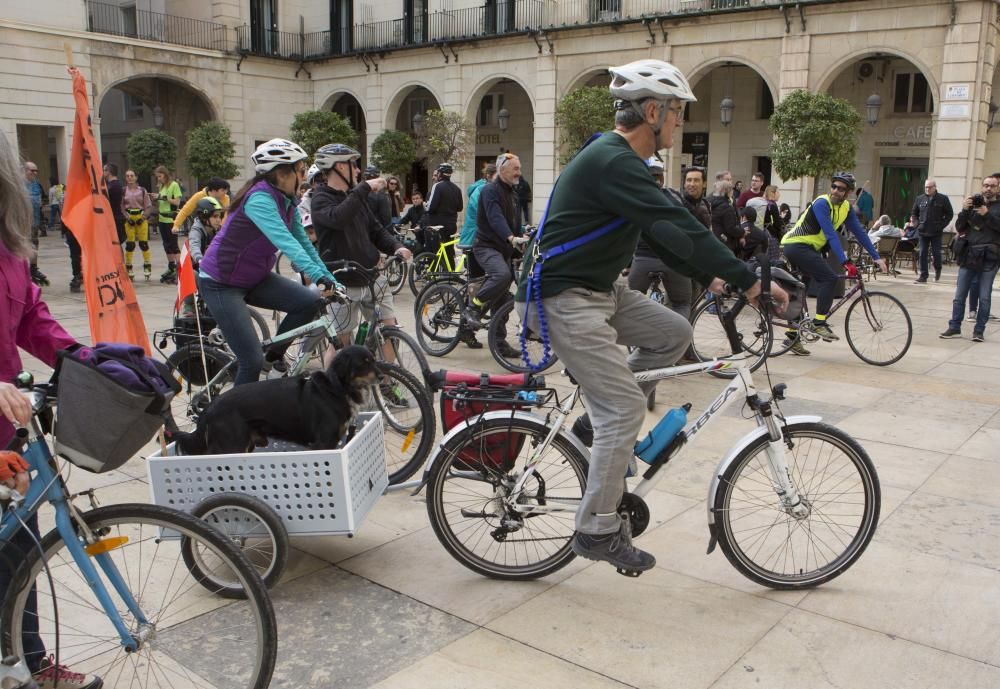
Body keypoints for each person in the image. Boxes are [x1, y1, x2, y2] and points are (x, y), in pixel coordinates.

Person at [515, 59, 788, 574]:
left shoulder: (623, 163)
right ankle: (595, 529)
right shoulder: (613, 160)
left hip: (600, 290)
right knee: (622, 408)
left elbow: (667, 231)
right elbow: (673, 222)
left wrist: (713, 277)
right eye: (678, 111)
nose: (681, 121)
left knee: (674, 330)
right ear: (653, 110)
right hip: (563, 297)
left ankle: (599, 432)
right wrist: (750, 282)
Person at [0, 130, 103, 689]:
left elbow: (34, 320)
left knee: (21, 549)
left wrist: (91, 360)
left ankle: (31, 663)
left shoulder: (9, 249)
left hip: (8, 431)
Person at [198, 138, 340, 385]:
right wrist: (317, 277)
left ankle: (272, 357)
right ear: (283, 174)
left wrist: (329, 276)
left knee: (310, 302)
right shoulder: (260, 200)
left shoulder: (287, 201)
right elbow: (286, 242)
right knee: (250, 361)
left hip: (254, 277)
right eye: (301, 170)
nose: (305, 175)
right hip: (221, 282)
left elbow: (305, 243)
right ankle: (239, 418)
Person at [309, 143, 412, 348]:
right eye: (354, 165)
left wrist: (396, 246)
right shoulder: (321, 198)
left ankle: (387, 378)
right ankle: (334, 380)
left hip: (372, 275)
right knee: (341, 342)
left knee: (389, 331)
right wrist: (364, 188)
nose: (357, 170)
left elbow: (376, 230)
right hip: (342, 281)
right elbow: (339, 218)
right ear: (340, 166)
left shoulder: (355, 197)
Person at [780, 171, 887, 355]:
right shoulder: (822, 203)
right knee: (829, 278)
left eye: (841, 189)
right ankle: (819, 323)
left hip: (809, 248)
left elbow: (860, 233)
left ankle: (792, 338)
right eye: (834, 186)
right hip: (796, 245)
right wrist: (845, 261)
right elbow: (830, 233)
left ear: (849, 192)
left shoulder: (846, 208)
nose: (836, 191)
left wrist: (876, 256)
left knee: (800, 289)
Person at [465, 154, 525, 346]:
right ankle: (473, 308)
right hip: (486, 246)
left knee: (502, 297)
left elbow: (514, 222)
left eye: (519, 168)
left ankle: (499, 343)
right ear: (502, 170)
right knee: (501, 276)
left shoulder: (512, 193)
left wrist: (523, 236)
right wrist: (511, 237)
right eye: (515, 168)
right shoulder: (490, 191)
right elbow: (495, 217)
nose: (519, 172)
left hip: (504, 250)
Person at [940, 175, 1000, 342]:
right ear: (982, 187)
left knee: (985, 296)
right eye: (986, 185)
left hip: (990, 257)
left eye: (992, 186)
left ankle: (979, 330)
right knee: (960, 295)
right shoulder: (973, 205)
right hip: (970, 255)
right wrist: (965, 210)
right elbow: (960, 227)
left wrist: (987, 214)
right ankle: (954, 327)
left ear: (998, 188)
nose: (988, 189)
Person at [178, 196, 225, 318]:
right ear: (204, 217)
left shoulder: (218, 230)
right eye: (215, 216)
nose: (219, 220)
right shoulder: (196, 230)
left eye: (220, 216)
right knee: (193, 275)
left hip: (211, 267)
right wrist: (199, 258)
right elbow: (194, 245)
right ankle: (189, 305)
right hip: (194, 265)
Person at [910, 179, 954, 283]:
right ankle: (923, 276)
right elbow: (914, 213)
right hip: (922, 231)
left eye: (929, 187)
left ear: (935, 187)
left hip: (936, 232)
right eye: (926, 187)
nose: (927, 189)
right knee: (922, 253)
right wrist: (917, 224)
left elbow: (949, 214)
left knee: (936, 253)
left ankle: (938, 269)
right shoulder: (919, 198)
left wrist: (942, 225)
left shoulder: (943, 199)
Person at [424, 162, 463, 268]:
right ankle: (450, 274)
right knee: (449, 251)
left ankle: (433, 275)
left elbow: (430, 207)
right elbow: (460, 208)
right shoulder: (457, 188)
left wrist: (425, 205)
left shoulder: (437, 186)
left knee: (435, 252)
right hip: (451, 225)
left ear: (440, 173)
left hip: (437, 224)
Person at [121, 169, 154, 281]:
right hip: (129, 218)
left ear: (136, 177)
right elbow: (121, 206)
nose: (130, 178)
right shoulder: (124, 191)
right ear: (125, 178)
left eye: (132, 175)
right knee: (130, 244)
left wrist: (143, 217)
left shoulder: (142, 191)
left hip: (141, 218)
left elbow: (148, 206)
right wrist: (126, 217)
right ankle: (129, 267)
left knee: (143, 243)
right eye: (127, 176)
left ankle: (147, 265)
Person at [153, 166, 183, 284]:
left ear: (165, 175)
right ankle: (171, 267)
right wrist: (156, 198)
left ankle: (180, 269)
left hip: (171, 219)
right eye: (157, 177)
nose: (159, 179)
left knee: (174, 245)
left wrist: (162, 197)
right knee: (166, 245)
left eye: (160, 176)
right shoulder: (162, 186)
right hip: (162, 218)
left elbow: (177, 202)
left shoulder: (174, 185)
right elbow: (163, 201)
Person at [459, 163, 497, 249]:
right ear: (488, 176)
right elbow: (484, 213)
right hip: (477, 237)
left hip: (483, 236)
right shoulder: (482, 190)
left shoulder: (491, 189)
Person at [22, 161, 47, 286]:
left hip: (35, 221)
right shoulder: (18, 185)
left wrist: (42, 204)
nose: (35, 173)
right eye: (32, 170)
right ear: (25, 170)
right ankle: (22, 271)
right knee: (21, 246)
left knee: (34, 244)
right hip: (21, 222)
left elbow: (44, 198)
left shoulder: (37, 184)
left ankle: (33, 269)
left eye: (36, 170)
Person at [708, 178, 740, 254]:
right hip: (724, 242)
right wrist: (742, 232)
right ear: (727, 192)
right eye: (731, 190)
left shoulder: (709, 201)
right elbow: (731, 228)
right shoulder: (726, 207)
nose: (733, 192)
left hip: (712, 239)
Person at [102, 163, 126, 248]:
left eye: (104, 170)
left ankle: (119, 261)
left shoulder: (114, 186)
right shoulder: (111, 185)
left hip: (115, 218)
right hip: (113, 218)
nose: (103, 172)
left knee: (115, 245)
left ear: (109, 172)